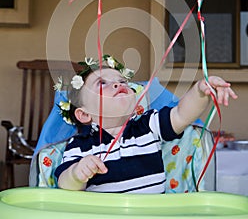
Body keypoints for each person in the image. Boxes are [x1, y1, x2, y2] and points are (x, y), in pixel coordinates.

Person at [54, 55, 237, 193]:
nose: (118, 85)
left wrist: (200, 91)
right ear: (84, 114)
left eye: (122, 81)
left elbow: (182, 114)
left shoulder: (149, 125)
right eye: (102, 84)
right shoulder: (81, 145)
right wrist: (77, 173)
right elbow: (64, 183)